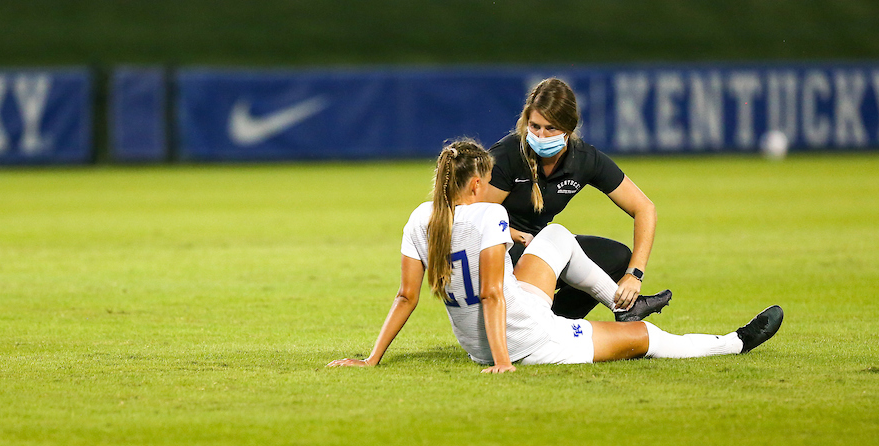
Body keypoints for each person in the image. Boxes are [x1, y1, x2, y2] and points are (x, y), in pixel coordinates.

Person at [327, 139, 782, 373]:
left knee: (558, 235)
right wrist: (504, 363)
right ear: (474, 185)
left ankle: (622, 302)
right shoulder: (489, 216)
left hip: (482, 338)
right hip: (529, 336)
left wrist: (371, 360)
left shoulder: (419, 218)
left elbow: (406, 297)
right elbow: (491, 295)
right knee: (646, 339)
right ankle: (733, 343)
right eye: (485, 181)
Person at [484, 77, 659, 320]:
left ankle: (555, 321)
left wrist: (634, 274)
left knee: (617, 258)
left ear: (568, 129)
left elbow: (644, 208)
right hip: (501, 249)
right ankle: (515, 322)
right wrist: (515, 235)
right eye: (535, 126)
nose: (541, 136)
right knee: (535, 247)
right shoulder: (507, 155)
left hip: (538, 247)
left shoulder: (584, 160)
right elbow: (475, 218)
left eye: (551, 128)